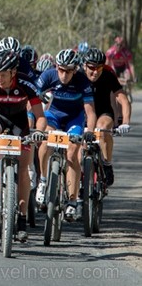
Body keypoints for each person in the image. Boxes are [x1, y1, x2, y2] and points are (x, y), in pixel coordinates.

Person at [0, 50, 46, 242]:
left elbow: (40, 117)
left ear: (13, 73)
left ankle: (21, 219)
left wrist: (37, 132)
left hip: (19, 122)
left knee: (23, 170)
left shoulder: (26, 84)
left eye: (3, 75)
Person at [34, 49, 97, 222]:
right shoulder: (48, 76)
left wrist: (89, 132)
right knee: (46, 141)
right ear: (56, 67)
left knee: (72, 153)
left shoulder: (82, 81)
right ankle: (43, 180)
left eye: (68, 71)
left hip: (74, 119)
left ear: (75, 70)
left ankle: (71, 200)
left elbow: (90, 112)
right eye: (61, 69)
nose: (64, 74)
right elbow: (31, 99)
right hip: (53, 116)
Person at [82, 47, 131, 186]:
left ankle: (107, 164)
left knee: (102, 129)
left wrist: (125, 122)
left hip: (103, 112)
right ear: (84, 65)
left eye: (99, 67)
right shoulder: (77, 75)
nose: (95, 71)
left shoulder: (108, 73)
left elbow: (123, 99)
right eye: (91, 67)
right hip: (82, 113)